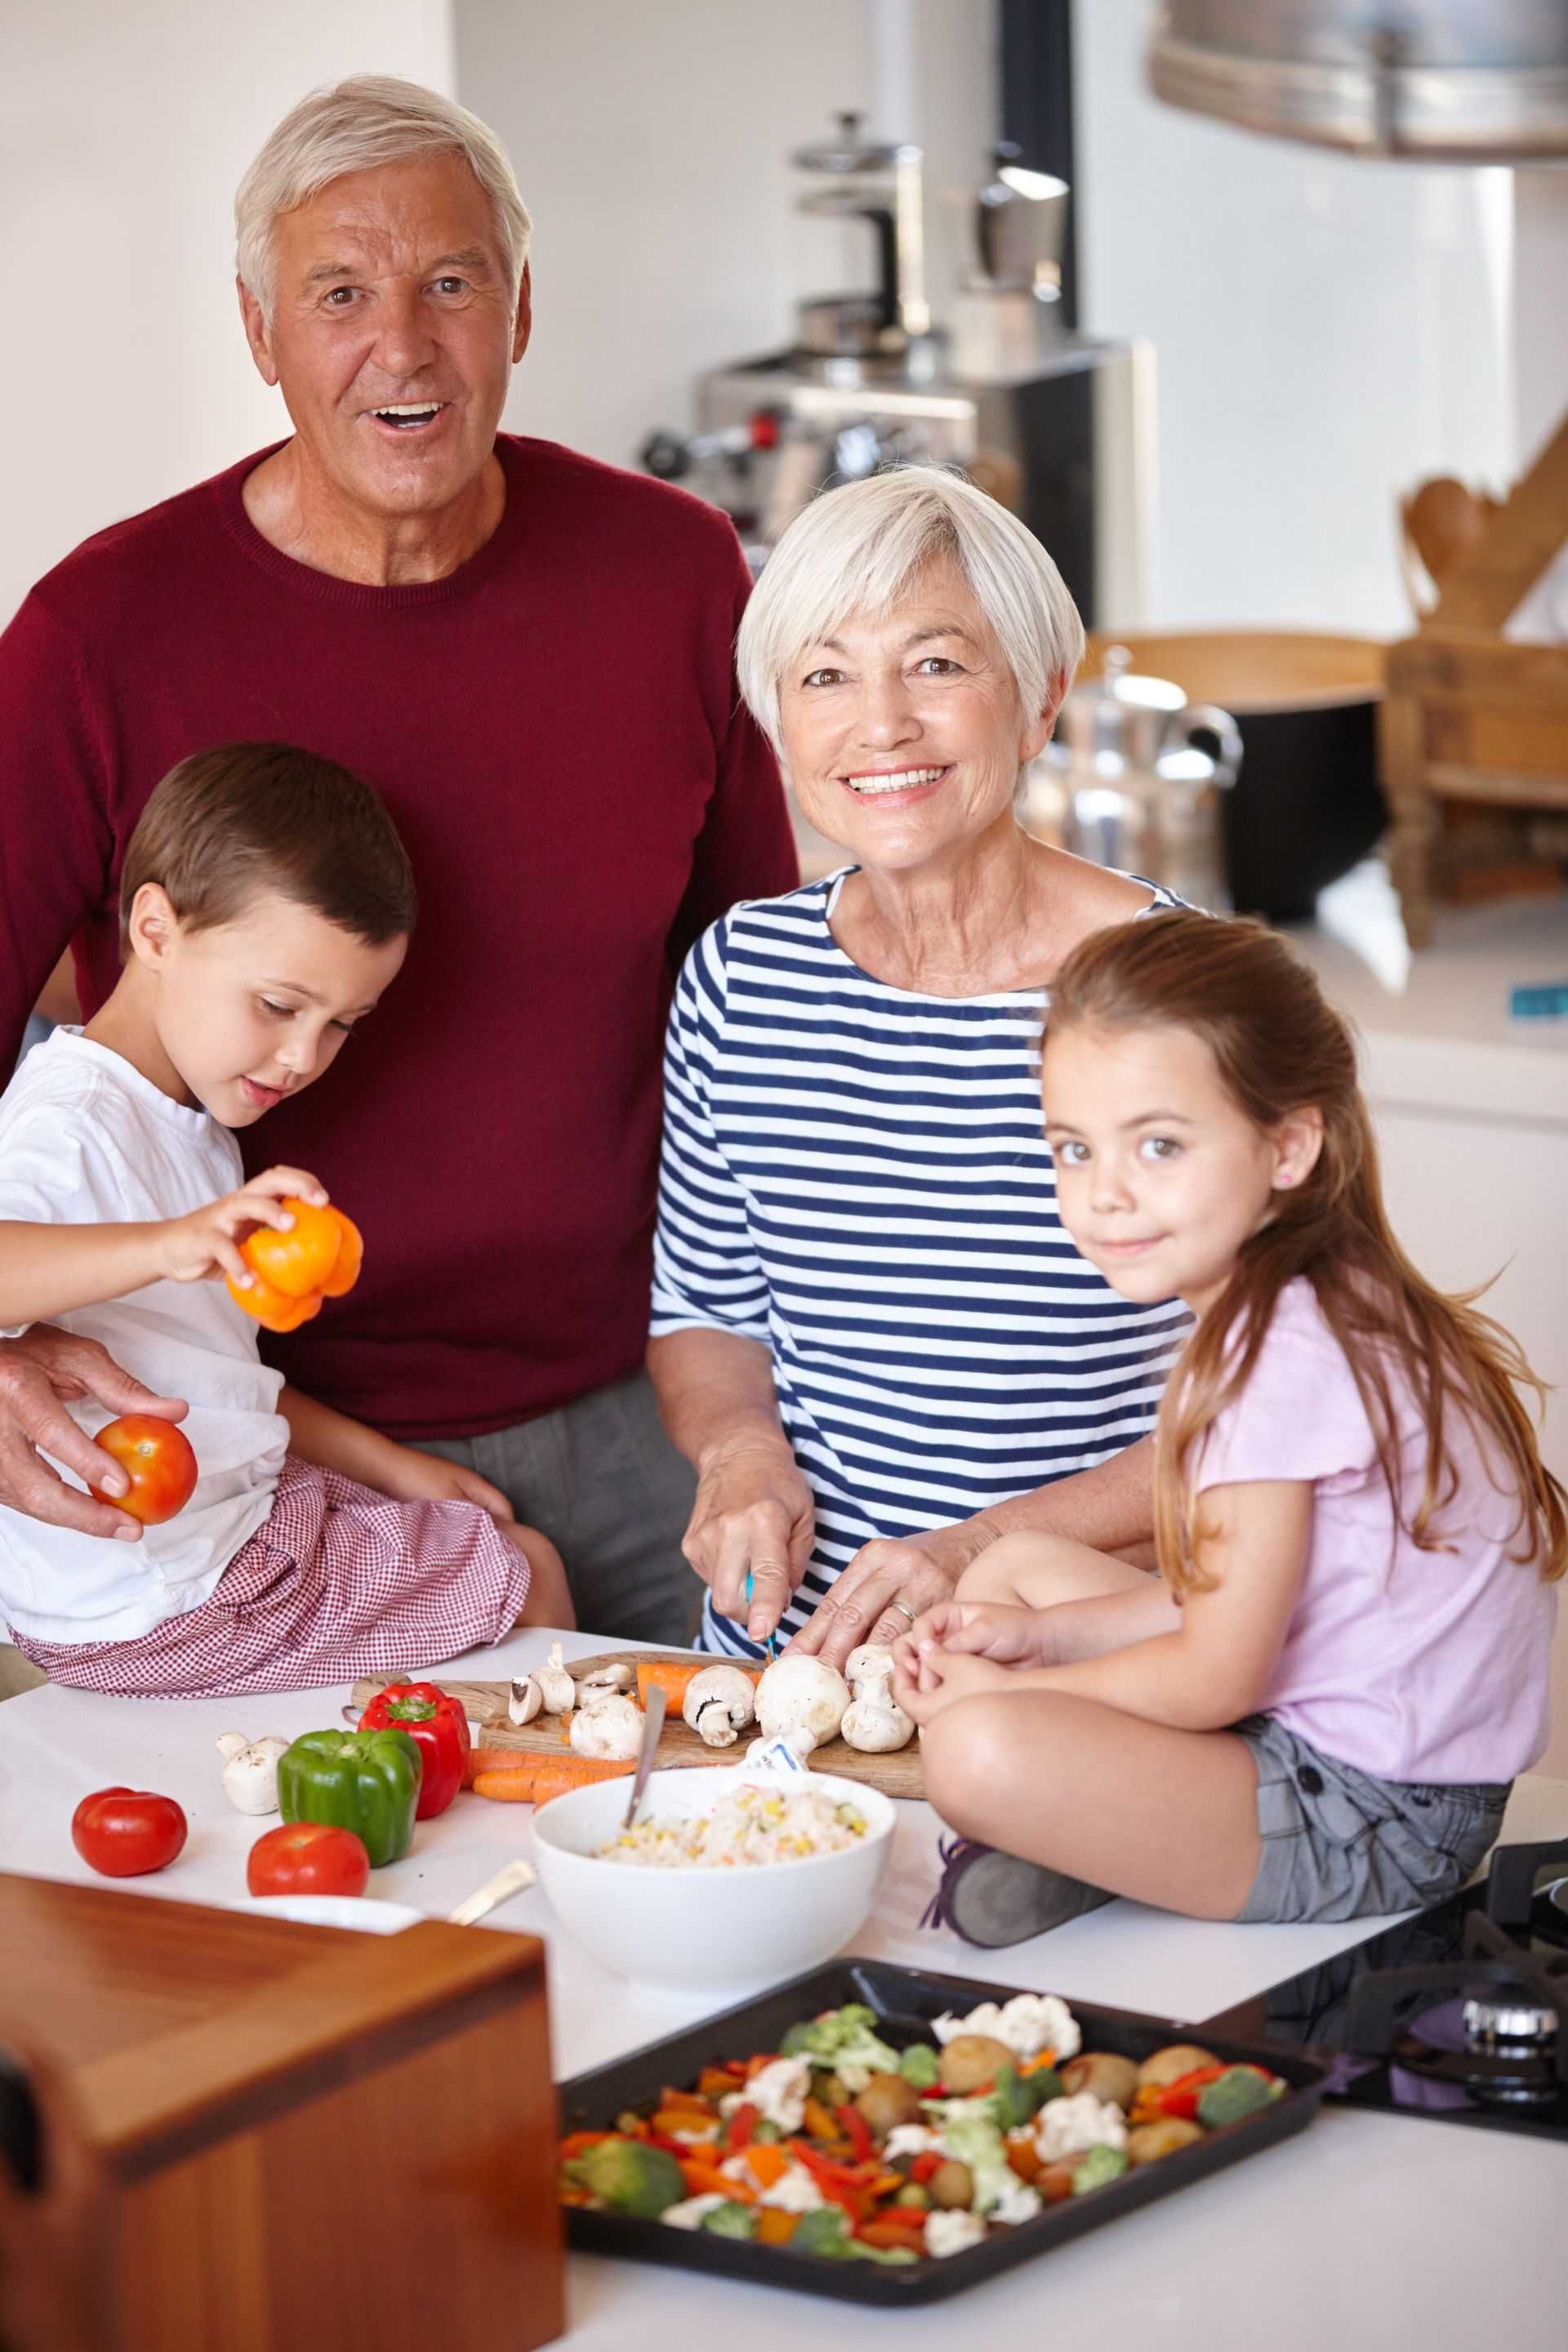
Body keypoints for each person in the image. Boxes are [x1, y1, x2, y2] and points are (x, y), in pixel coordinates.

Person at [0, 75, 795, 1643]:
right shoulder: (99, 632)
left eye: (451, 283)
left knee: (760, 1845)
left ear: (519, 309)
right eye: (341, 294)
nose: (404, 346)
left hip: (665, 1421)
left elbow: (758, 998)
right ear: (259, 331)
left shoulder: (674, 571)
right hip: (267, 1475)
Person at [895, 911, 1563, 1943]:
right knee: (1017, 1569)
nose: (1104, 1195)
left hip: (1377, 1815)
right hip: (1330, 1727)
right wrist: (1038, 1636)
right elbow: (1222, 1604)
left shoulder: (1276, 1359)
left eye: (1159, 1144)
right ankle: (1118, 1836)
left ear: (1288, 1144)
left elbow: (1217, 1673)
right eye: (1073, 1148)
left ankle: (1104, 1834)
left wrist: (1035, 1691)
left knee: (977, 1748)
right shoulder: (1313, 1295)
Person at [647, 465, 1190, 1669]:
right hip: (796, 1672)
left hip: (1076, 1670)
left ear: (1040, 700)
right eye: (826, 676)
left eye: (937, 664)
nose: (881, 723)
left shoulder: (1180, 991)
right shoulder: (746, 979)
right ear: (780, 724)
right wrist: (741, 1455)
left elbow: (1270, 1417)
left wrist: (974, 1546)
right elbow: (706, 1313)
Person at [0, 743, 571, 1698]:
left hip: (223, 1535)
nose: (303, 1056)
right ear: (154, 929)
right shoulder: (69, 1128)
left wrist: (394, 1467)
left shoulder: (190, 1115)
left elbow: (217, 1378)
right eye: (277, 1006)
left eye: (344, 1023)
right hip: (168, 1597)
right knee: (531, 1574)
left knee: (492, 1543)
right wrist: (175, 1242)